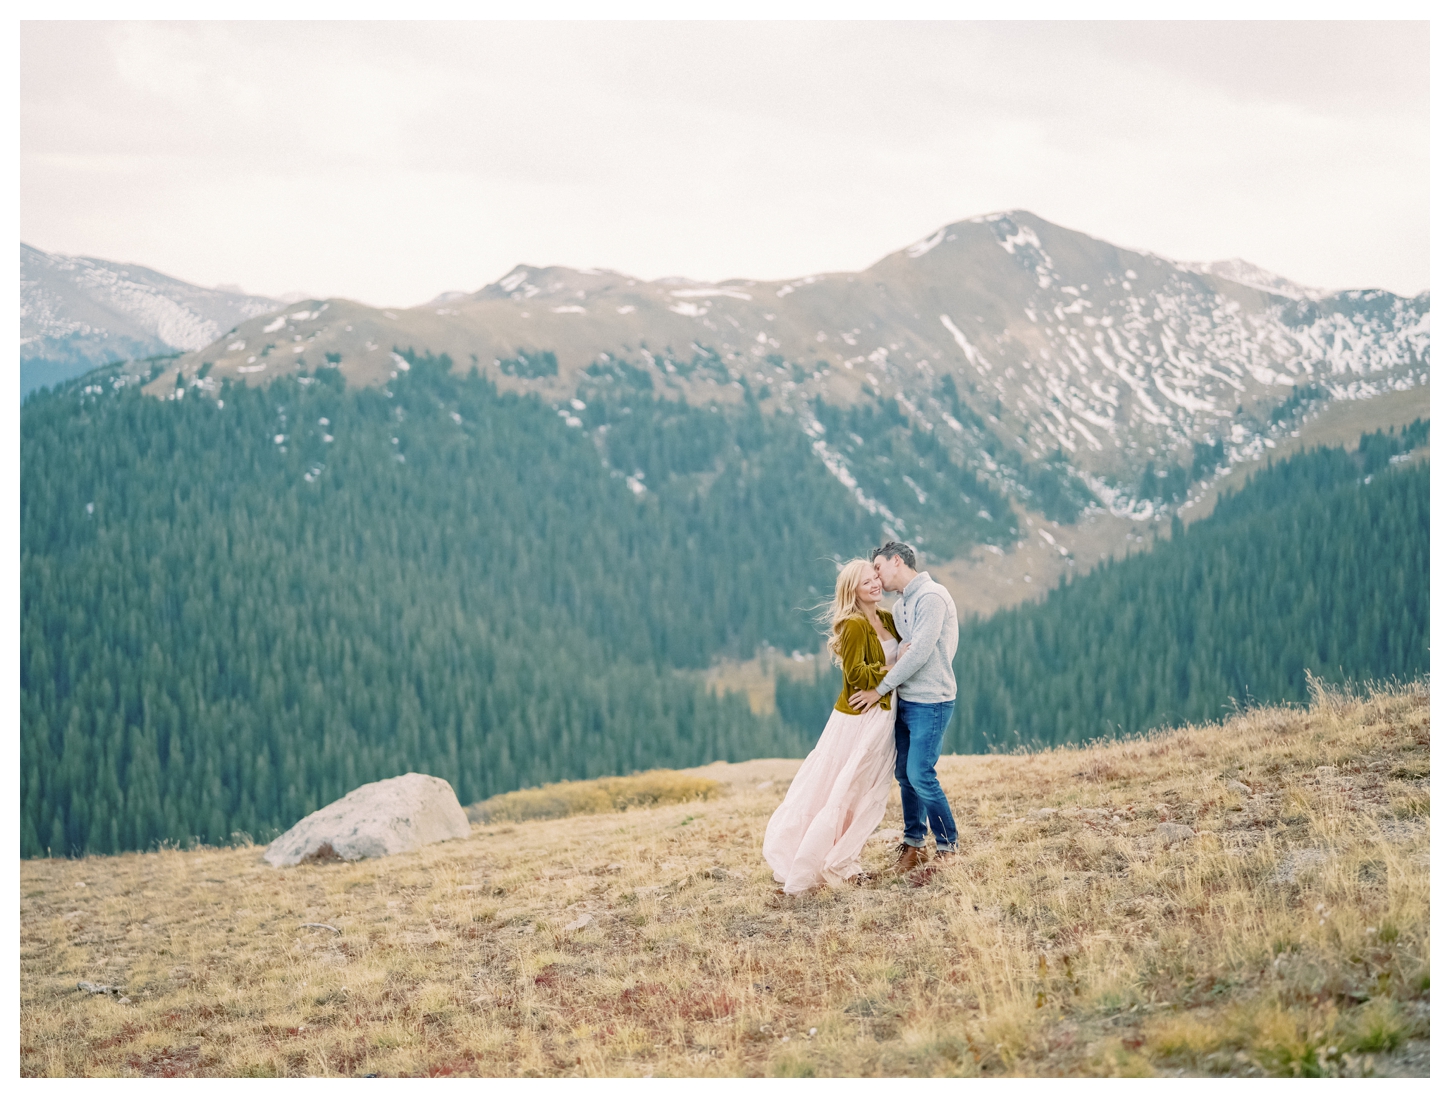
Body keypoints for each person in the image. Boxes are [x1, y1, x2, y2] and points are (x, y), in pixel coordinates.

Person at [762, 559, 905, 893]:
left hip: (883, 712)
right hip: (859, 718)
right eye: (867, 582)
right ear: (852, 591)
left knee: (863, 788)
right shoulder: (855, 625)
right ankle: (824, 861)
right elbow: (855, 675)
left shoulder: (886, 618)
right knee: (843, 787)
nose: (875, 585)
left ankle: (842, 858)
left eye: (875, 578)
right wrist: (894, 668)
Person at [848, 540, 960, 877]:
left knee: (920, 775)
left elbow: (921, 652)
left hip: (933, 700)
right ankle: (914, 844)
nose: (877, 577)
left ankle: (948, 846)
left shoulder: (932, 597)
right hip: (906, 701)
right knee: (904, 776)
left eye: (878, 568)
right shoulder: (900, 607)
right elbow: (900, 653)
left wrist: (878, 689)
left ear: (897, 561)